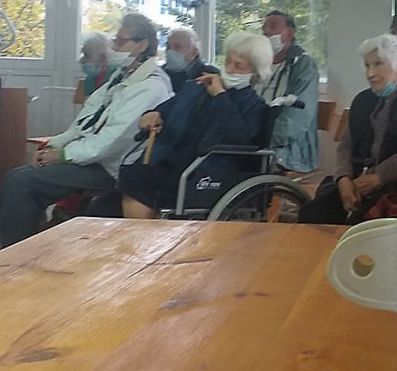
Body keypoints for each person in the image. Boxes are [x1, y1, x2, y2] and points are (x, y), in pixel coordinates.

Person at [0, 13, 173, 247]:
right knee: (20, 177)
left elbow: (111, 141)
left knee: (22, 182)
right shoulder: (122, 78)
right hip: (95, 159)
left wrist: (64, 155)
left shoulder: (150, 86)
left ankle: (11, 255)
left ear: (143, 45)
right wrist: (55, 144)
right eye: (115, 40)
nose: (115, 47)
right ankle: (26, 247)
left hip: (115, 168)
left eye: (121, 41)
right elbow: (85, 122)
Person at [118, 31, 272, 219]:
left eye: (239, 66)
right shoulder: (197, 87)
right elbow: (164, 110)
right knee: (110, 197)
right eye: (227, 61)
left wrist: (220, 96)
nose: (229, 69)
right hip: (173, 164)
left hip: (207, 174)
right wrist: (152, 114)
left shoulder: (254, 106)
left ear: (255, 73)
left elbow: (239, 138)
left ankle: (142, 234)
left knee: (135, 179)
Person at [298, 34, 397, 224]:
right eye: (367, 66)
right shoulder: (363, 100)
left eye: (378, 64)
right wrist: (343, 179)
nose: (370, 73)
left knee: (362, 224)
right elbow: (346, 146)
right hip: (355, 181)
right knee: (312, 214)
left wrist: (380, 176)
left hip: (396, 184)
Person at [258, 10, 319, 172]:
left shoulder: (303, 64)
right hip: (257, 140)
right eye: (264, 28)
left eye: (272, 27)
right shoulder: (258, 63)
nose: (266, 32)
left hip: (287, 150)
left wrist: (261, 138)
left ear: (290, 33)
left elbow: (297, 118)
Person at [162, 27, 209, 93]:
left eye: (177, 47)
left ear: (194, 51)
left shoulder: (208, 75)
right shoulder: (160, 73)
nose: (170, 51)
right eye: (168, 47)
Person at [79, 32, 118, 96]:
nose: (81, 61)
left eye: (86, 55)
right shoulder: (90, 79)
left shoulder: (116, 76)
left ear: (102, 58)